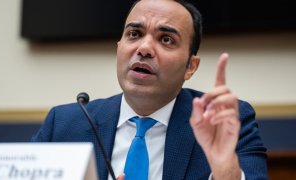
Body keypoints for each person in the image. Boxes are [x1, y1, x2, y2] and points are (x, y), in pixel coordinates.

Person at [32, 0, 268, 179]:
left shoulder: (222, 121)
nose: (144, 48)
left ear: (190, 67)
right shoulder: (64, 124)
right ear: (119, 48)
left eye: (166, 39)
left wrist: (224, 169)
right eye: (134, 34)